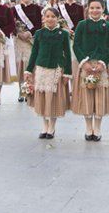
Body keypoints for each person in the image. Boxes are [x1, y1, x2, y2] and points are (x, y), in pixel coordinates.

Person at [72, 0, 109, 141]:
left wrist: (102, 63)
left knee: (100, 96)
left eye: (98, 8)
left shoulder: (108, 26)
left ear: (103, 9)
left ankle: (97, 128)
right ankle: (88, 127)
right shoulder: (81, 25)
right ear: (88, 9)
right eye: (92, 8)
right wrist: (83, 62)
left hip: (101, 66)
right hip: (85, 64)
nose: (95, 10)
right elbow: (76, 45)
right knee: (86, 95)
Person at [23, 7, 72, 139]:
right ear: (43, 18)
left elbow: (67, 53)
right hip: (41, 69)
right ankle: (44, 125)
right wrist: (28, 69)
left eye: (53, 16)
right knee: (43, 98)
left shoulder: (63, 34)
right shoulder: (39, 33)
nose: (50, 19)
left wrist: (67, 73)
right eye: (47, 16)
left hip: (56, 69)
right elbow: (34, 53)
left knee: (53, 99)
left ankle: (52, 126)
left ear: (57, 19)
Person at [13, 0, 43, 103]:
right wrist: (19, 33)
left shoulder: (37, 8)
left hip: (31, 40)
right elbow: (11, 24)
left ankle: (30, 88)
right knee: (20, 65)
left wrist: (29, 33)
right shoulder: (15, 9)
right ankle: (21, 90)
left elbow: (39, 24)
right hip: (19, 40)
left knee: (30, 65)